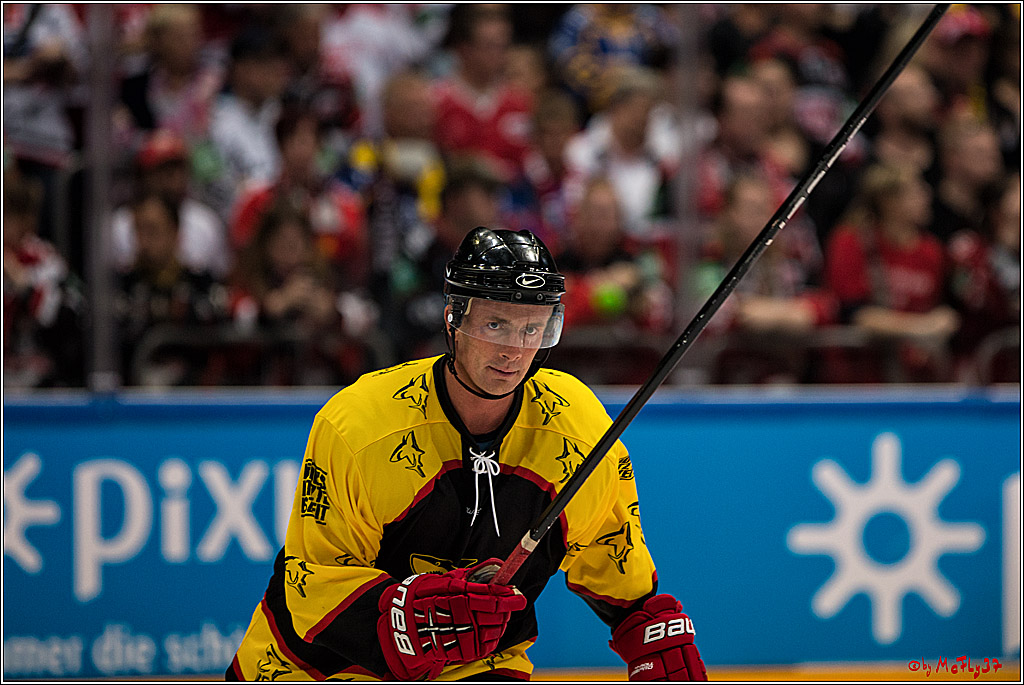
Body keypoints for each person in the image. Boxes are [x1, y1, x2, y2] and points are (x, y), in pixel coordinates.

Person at [226, 227, 708, 682]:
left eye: (533, 329)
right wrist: (408, 617)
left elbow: (609, 546)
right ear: (453, 318)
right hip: (316, 666)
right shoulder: (360, 426)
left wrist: (647, 628)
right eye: (496, 324)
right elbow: (311, 582)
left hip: (476, 663)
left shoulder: (579, 430)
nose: (514, 351)